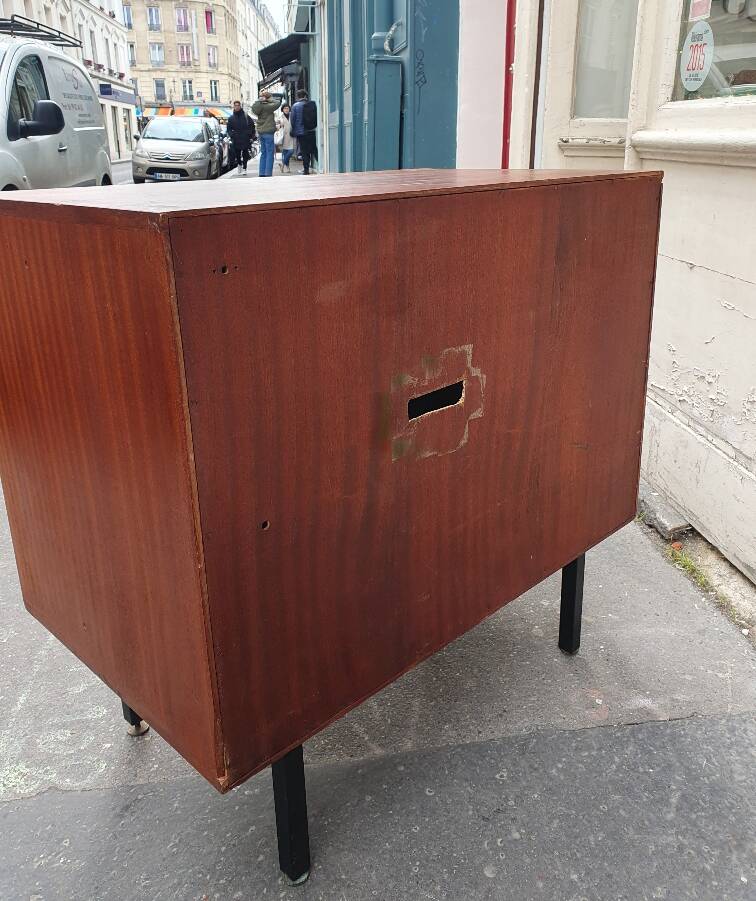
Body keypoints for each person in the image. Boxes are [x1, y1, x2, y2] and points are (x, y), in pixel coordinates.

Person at [252, 90, 282, 177]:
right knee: (269, 152)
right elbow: (278, 102)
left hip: (261, 132)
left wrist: (260, 100)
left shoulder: (258, 106)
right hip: (268, 131)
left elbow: (254, 108)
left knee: (263, 152)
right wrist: (269, 99)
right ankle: (268, 173)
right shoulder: (268, 106)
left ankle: (261, 172)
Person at [290, 89, 318, 175]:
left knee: (304, 151)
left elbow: (293, 120)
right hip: (311, 130)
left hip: (300, 132)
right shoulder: (311, 104)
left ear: (298, 97)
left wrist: (293, 130)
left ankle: (306, 170)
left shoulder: (295, 106)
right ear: (306, 96)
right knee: (313, 149)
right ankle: (322, 165)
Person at [227, 100, 256, 176]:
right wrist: (232, 135)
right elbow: (229, 129)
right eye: (235, 105)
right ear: (234, 106)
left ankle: (244, 168)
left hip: (245, 138)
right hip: (236, 139)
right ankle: (239, 164)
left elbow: (252, 126)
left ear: (240, 106)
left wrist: (250, 135)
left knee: (245, 153)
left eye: (238, 105)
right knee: (237, 154)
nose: (236, 107)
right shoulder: (231, 118)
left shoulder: (246, 116)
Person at [276, 104, 296, 173]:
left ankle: (283, 164)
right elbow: (277, 127)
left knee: (291, 151)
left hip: (291, 136)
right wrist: (280, 125)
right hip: (284, 137)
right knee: (285, 153)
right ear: (282, 110)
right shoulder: (280, 117)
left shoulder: (292, 115)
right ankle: (287, 168)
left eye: (287, 108)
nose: (286, 110)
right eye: (285, 108)